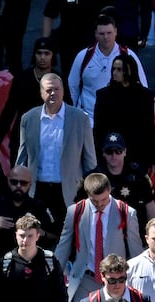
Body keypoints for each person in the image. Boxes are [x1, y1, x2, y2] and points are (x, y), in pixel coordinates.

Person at [17, 73, 97, 228]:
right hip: (38, 190)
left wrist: (93, 191)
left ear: (63, 91)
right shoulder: (28, 118)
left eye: (56, 89)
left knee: (67, 238)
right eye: (48, 90)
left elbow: (90, 160)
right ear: (41, 93)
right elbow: (22, 158)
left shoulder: (80, 119)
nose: (53, 93)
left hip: (68, 191)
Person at [56, 173, 144, 302]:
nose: (99, 205)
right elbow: (64, 246)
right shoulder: (75, 212)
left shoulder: (126, 212)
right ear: (88, 194)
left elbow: (136, 251)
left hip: (115, 281)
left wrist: (138, 284)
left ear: (109, 190)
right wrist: (53, 276)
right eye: (94, 201)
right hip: (84, 279)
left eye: (103, 200)